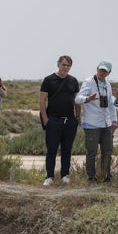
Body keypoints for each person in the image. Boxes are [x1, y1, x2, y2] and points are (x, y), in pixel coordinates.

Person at [39, 55, 80, 186]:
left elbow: (77, 100)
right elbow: (42, 99)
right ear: (58, 64)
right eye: (63, 65)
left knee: (67, 150)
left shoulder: (73, 81)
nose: (65, 67)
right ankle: (49, 176)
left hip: (70, 121)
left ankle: (64, 175)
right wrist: (45, 118)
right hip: (53, 120)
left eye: (68, 65)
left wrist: (78, 117)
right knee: (51, 150)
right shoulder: (48, 80)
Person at [75, 61, 118, 183]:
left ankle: (106, 177)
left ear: (109, 73)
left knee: (107, 151)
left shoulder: (108, 85)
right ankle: (91, 178)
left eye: (105, 71)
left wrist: (114, 121)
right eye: (101, 70)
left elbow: (111, 105)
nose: (102, 73)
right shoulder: (89, 82)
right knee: (92, 152)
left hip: (106, 124)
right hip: (92, 124)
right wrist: (88, 99)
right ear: (97, 69)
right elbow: (77, 99)